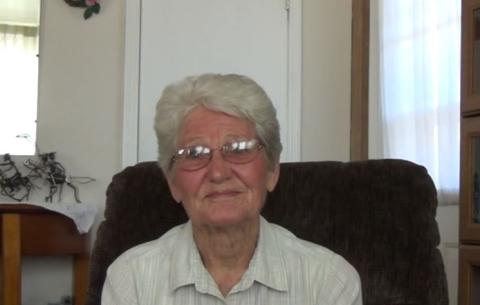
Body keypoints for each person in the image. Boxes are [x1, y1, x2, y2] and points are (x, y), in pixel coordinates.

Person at [101, 73, 362, 305]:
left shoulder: (329, 281)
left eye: (239, 149)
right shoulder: (131, 280)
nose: (218, 172)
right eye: (194, 153)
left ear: (272, 171)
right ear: (172, 182)